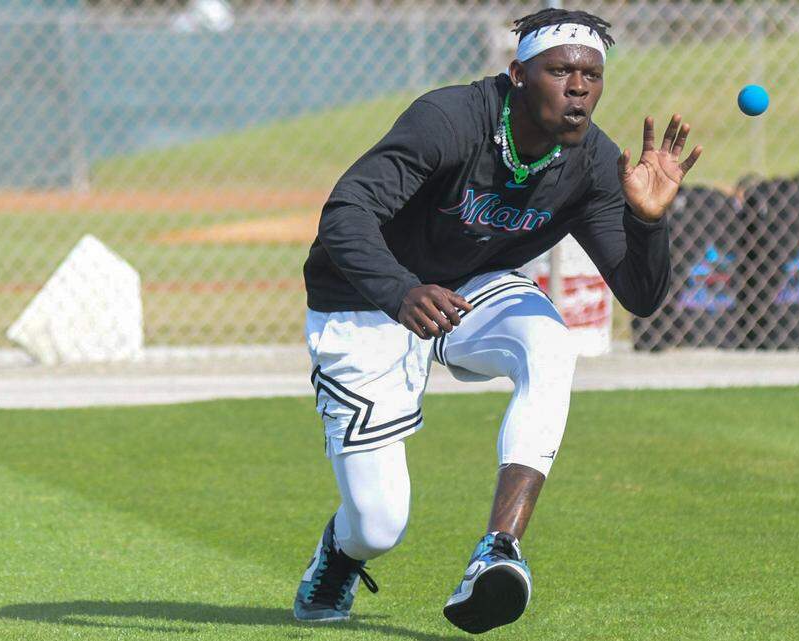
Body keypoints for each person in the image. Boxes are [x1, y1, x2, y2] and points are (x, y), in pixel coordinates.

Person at [294, 7, 702, 634]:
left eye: (591, 75)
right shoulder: (449, 120)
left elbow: (641, 296)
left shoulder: (593, 163)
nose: (578, 87)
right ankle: (343, 552)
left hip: (468, 289)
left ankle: (498, 551)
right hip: (366, 296)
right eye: (559, 70)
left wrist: (646, 221)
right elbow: (346, 212)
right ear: (518, 74)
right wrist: (400, 290)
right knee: (380, 523)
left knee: (549, 344)